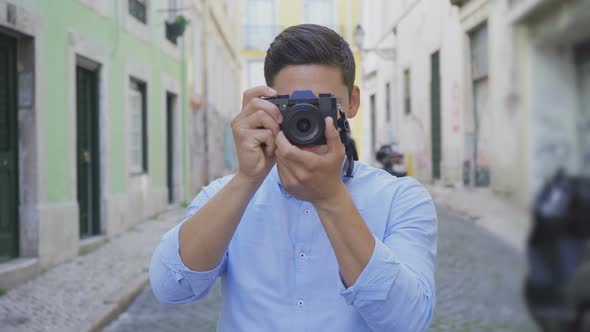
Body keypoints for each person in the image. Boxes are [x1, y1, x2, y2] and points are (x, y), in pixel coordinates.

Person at [149, 24, 438, 332]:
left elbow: (408, 321)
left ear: (352, 102)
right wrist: (247, 179)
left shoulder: (400, 199)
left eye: (321, 105)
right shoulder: (226, 196)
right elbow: (170, 288)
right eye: (292, 106)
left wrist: (330, 198)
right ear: (267, 105)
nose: (306, 120)